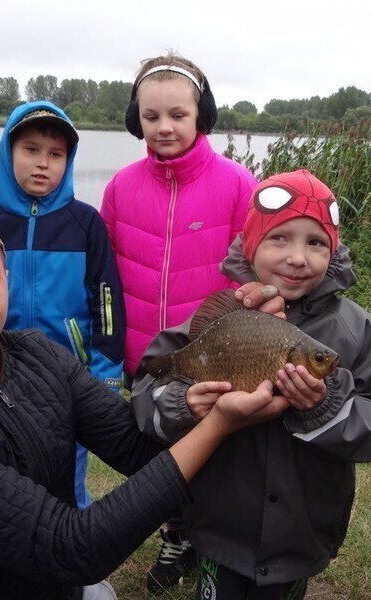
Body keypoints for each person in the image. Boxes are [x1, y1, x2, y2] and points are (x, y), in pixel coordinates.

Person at [0, 198, 289, 600]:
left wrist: (235, 348)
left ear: (5, 279)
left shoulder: (37, 355)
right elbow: (73, 547)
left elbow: (135, 448)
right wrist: (218, 425)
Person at [132, 169, 371, 599]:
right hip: (217, 521)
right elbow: (145, 391)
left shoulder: (359, 331)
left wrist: (325, 406)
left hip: (300, 531)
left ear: (333, 253)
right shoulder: (226, 315)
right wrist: (183, 403)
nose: (298, 258)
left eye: (316, 242)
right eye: (279, 238)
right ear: (250, 246)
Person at [99, 51, 257, 592]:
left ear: (201, 115)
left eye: (177, 115)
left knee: (212, 446)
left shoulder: (238, 184)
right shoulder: (120, 186)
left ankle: (206, 539)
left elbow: (250, 273)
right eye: (150, 116)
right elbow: (106, 276)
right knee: (161, 448)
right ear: (135, 118)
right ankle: (176, 532)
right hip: (145, 351)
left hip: (215, 351)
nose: (163, 127)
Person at [0, 101, 125, 509]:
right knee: (2, 476)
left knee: (66, 479)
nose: (42, 164)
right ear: (8, 152)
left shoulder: (85, 223)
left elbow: (107, 304)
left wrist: (106, 378)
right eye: (30, 150)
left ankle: (73, 563)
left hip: (67, 379)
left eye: (56, 154)